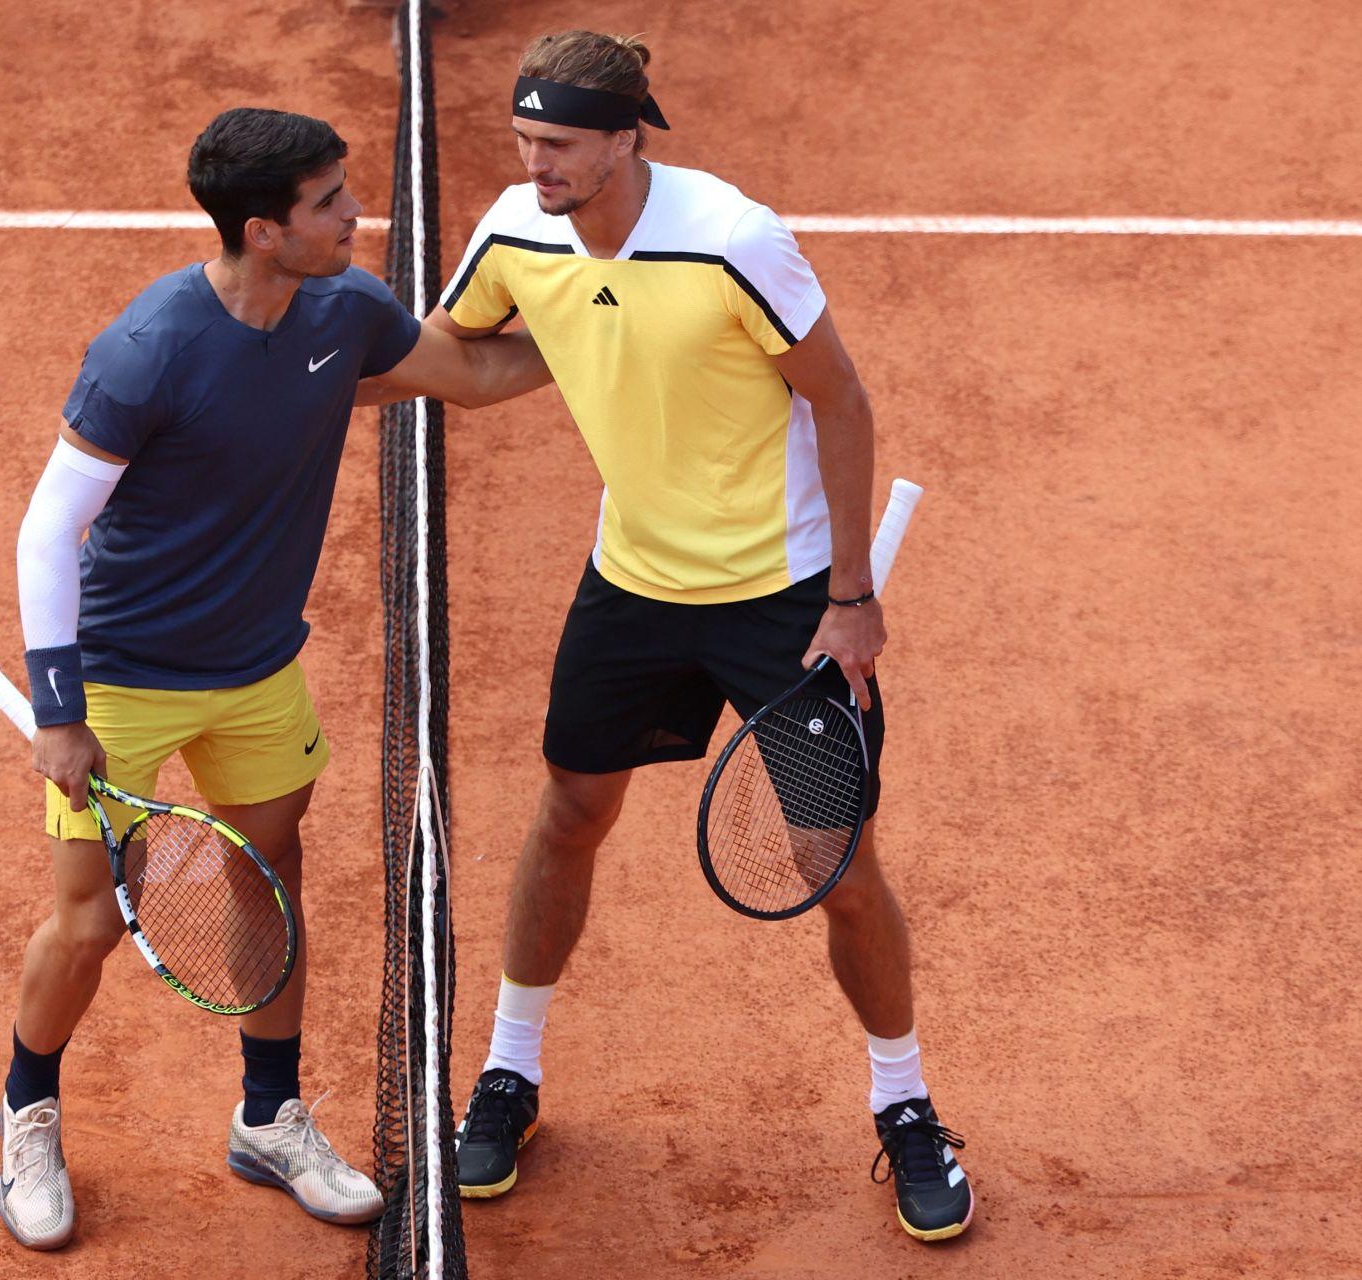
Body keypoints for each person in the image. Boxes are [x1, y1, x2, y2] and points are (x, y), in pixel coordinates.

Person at [429, 31, 976, 1242]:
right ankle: (511, 1070)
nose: (535, 165)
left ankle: (908, 1103)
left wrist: (850, 596)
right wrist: (304, 367)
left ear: (630, 137)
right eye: (523, 142)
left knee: (833, 858)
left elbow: (839, 395)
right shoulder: (514, 226)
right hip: (632, 582)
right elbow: (468, 354)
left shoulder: (733, 236)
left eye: (559, 145)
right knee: (570, 810)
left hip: (782, 598)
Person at [0, 105, 550, 1251]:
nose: (357, 214)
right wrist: (61, 714)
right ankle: (28, 1110)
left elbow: (475, 375)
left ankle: (269, 1113)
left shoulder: (344, 311)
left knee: (267, 878)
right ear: (264, 228)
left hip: (257, 671)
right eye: (330, 202)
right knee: (92, 918)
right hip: (122, 681)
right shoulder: (147, 348)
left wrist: (631, 326)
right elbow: (49, 530)